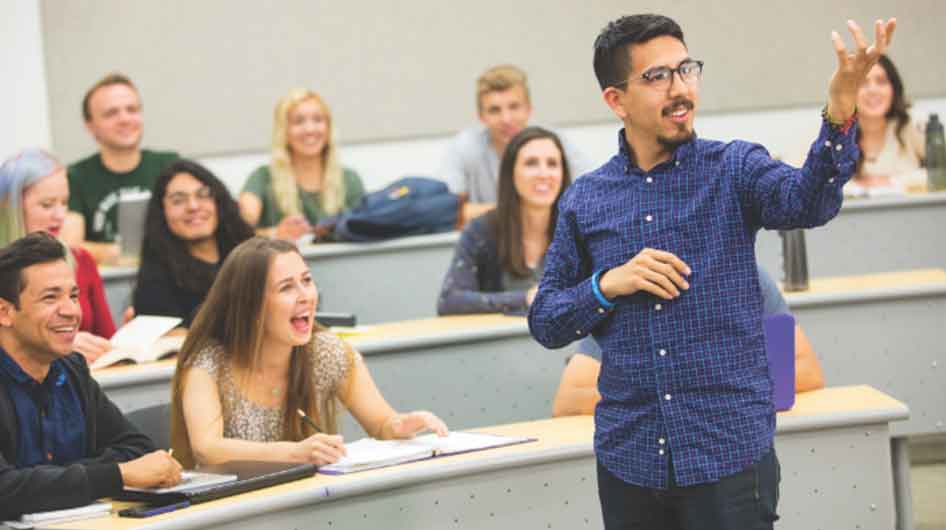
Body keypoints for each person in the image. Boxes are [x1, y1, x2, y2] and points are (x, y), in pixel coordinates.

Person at [527, 13, 895, 530]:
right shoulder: (585, 200)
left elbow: (809, 203)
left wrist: (840, 109)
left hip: (729, 456)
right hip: (631, 462)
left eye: (686, 70)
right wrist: (607, 284)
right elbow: (546, 321)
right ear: (616, 100)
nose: (679, 90)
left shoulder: (735, 169)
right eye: (657, 77)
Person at [169, 237, 448, 468]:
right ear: (251, 305)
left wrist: (401, 425)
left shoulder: (325, 351)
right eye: (287, 287)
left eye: (307, 280)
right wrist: (295, 453)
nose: (306, 296)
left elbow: (381, 423)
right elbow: (208, 449)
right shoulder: (208, 363)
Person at [0, 232, 181, 520]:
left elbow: (137, 448)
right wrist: (110, 475)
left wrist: (56, 480)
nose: (72, 311)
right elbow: (5, 489)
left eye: (73, 295)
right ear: (5, 312)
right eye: (50, 298)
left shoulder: (71, 370)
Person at [552, 267, 825, 417]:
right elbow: (570, 398)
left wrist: (687, 392)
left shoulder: (750, 277)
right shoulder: (632, 288)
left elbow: (803, 372)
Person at [437, 127, 571, 315]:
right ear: (511, 173)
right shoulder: (481, 230)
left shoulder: (577, 231)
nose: (544, 173)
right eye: (531, 163)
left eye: (552, 164)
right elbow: (450, 301)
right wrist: (525, 298)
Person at [0, 149, 116, 362]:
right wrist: (63, 343)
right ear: (12, 208)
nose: (60, 215)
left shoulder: (82, 261)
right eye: (47, 205)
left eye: (64, 203)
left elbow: (108, 339)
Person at [437, 65, 593, 223]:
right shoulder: (465, 147)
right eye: (494, 110)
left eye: (514, 107)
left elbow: (590, 196)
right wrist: (526, 210)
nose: (506, 119)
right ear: (481, 116)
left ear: (529, 110)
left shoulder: (554, 143)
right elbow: (447, 213)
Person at [62, 73, 178, 264]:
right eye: (111, 113)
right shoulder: (74, 177)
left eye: (132, 109)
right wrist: (128, 254)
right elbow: (71, 246)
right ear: (90, 126)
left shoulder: (171, 166)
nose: (124, 119)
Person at [132, 160, 254, 329]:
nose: (193, 206)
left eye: (203, 195)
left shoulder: (250, 254)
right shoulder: (155, 279)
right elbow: (164, 339)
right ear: (162, 212)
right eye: (178, 201)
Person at [239, 89, 365, 241]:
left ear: (328, 127)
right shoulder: (262, 177)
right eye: (298, 122)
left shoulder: (349, 179)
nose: (310, 130)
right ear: (283, 131)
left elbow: (364, 229)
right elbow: (236, 229)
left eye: (318, 120)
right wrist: (274, 234)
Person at [846, 54, 926, 196]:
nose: (872, 90)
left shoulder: (912, 124)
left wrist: (892, 182)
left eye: (881, 81)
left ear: (893, 89)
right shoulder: (835, 133)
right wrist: (859, 186)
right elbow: (812, 186)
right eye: (863, 83)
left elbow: (940, 174)